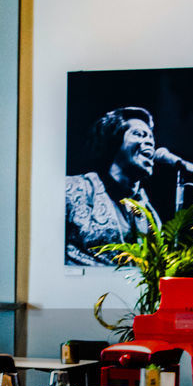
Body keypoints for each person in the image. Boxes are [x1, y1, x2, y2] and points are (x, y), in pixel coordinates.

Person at [65, 106, 163, 266]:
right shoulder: (71, 189)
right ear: (114, 142)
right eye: (139, 134)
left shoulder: (150, 216)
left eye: (151, 137)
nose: (150, 142)